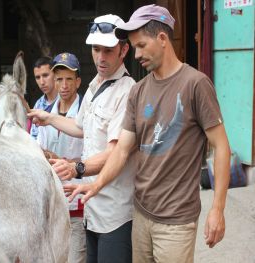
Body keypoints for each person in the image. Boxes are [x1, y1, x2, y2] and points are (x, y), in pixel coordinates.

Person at [66, 4, 231, 263]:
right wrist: (94, 186)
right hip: (141, 215)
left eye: (141, 45)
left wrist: (217, 209)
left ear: (162, 39)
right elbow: (121, 150)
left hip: (176, 221)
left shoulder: (195, 84)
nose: (137, 53)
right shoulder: (139, 91)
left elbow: (221, 147)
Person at [28, 14, 136, 263]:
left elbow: (115, 151)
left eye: (108, 50)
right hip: (92, 209)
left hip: (115, 213)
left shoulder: (127, 91)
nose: (101, 57)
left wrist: (76, 167)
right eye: (96, 49)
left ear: (123, 50)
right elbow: (80, 127)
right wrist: (49, 117)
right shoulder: (95, 85)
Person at [37, 52, 86, 263]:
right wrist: (45, 156)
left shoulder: (87, 110)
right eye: (59, 79)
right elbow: (39, 151)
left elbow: (93, 156)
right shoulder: (44, 113)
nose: (64, 85)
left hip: (79, 206)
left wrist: (63, 160)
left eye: (69, 79)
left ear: (78, 82)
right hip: (53, 208)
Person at [30, 56, 58, 139]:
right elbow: (34, 136)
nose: (42, 82)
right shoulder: (38, 105)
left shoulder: (66, 99)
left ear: (55, 74)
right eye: (37, 77)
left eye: (45, 75)